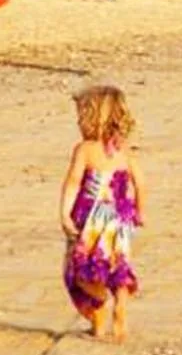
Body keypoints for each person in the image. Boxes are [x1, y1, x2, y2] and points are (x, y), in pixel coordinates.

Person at [59, 84, 144, 341]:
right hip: (119, 217)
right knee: (116, 266)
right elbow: (141, 182)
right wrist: (140, 211)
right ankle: (119, 307)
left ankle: (99, 302)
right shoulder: (123, 151)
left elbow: (73, 182)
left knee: (80, 270)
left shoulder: (84, 149)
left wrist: (64, 214)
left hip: (90, 221)